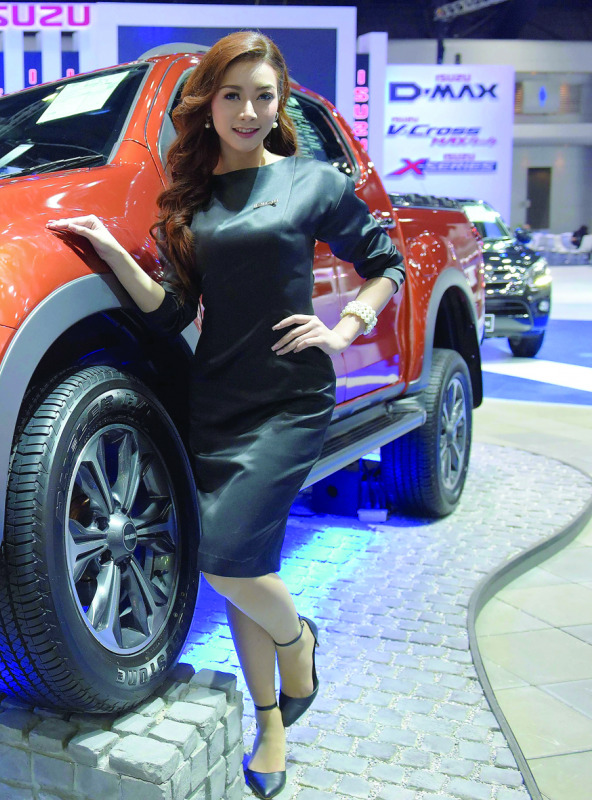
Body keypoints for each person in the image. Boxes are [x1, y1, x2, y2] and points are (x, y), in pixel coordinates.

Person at [48, 32, 404, 799]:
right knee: (251, 570)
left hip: (289, 398)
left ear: (280, 106)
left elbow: (387, 264)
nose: (248, 110)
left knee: (226, 563)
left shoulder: (311, 182)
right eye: (233, 94)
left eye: (263, 96)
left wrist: (344, 329)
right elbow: (174, 309)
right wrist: (116, 254)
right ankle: (270, 724)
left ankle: (299, 641)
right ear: (208, 103)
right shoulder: (192, 203)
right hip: (216, 401)